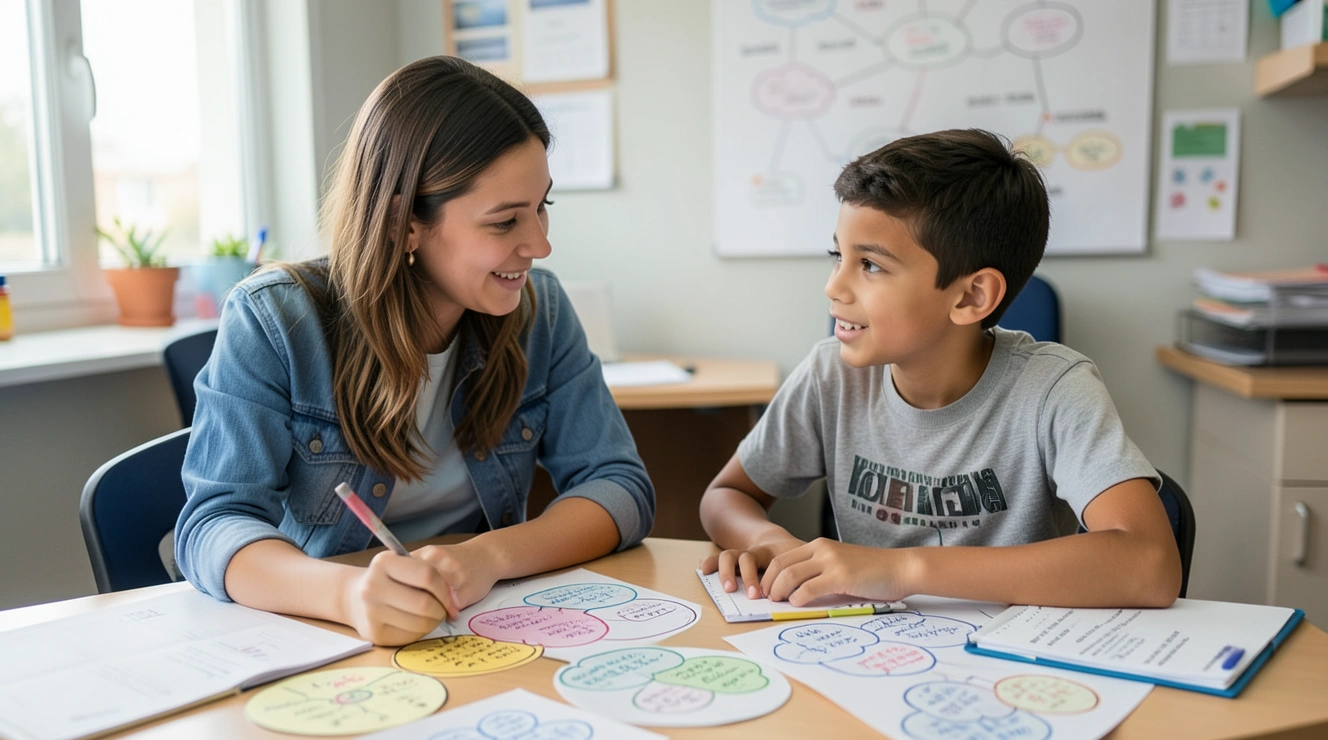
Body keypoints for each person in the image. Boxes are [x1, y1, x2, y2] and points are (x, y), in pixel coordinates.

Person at [176, 56, 654, 646]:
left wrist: (491, 555)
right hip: (331, 638)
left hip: (479, 625)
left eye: (542, 207)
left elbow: (619, 486)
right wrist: (347, 595)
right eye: (505, 223)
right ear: (404, 223)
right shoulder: (272, 321)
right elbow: (212, 526)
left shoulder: (541, 312)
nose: (540, 244)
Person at [699, 128, 1181, 610]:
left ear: (971, 296)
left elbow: (1151, 563)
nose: (833, 287)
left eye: (869, 265)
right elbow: (726, 494)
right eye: (838, 256)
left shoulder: (1054, 389)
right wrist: (767, 539)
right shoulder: (831, 376)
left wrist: (904, 570)